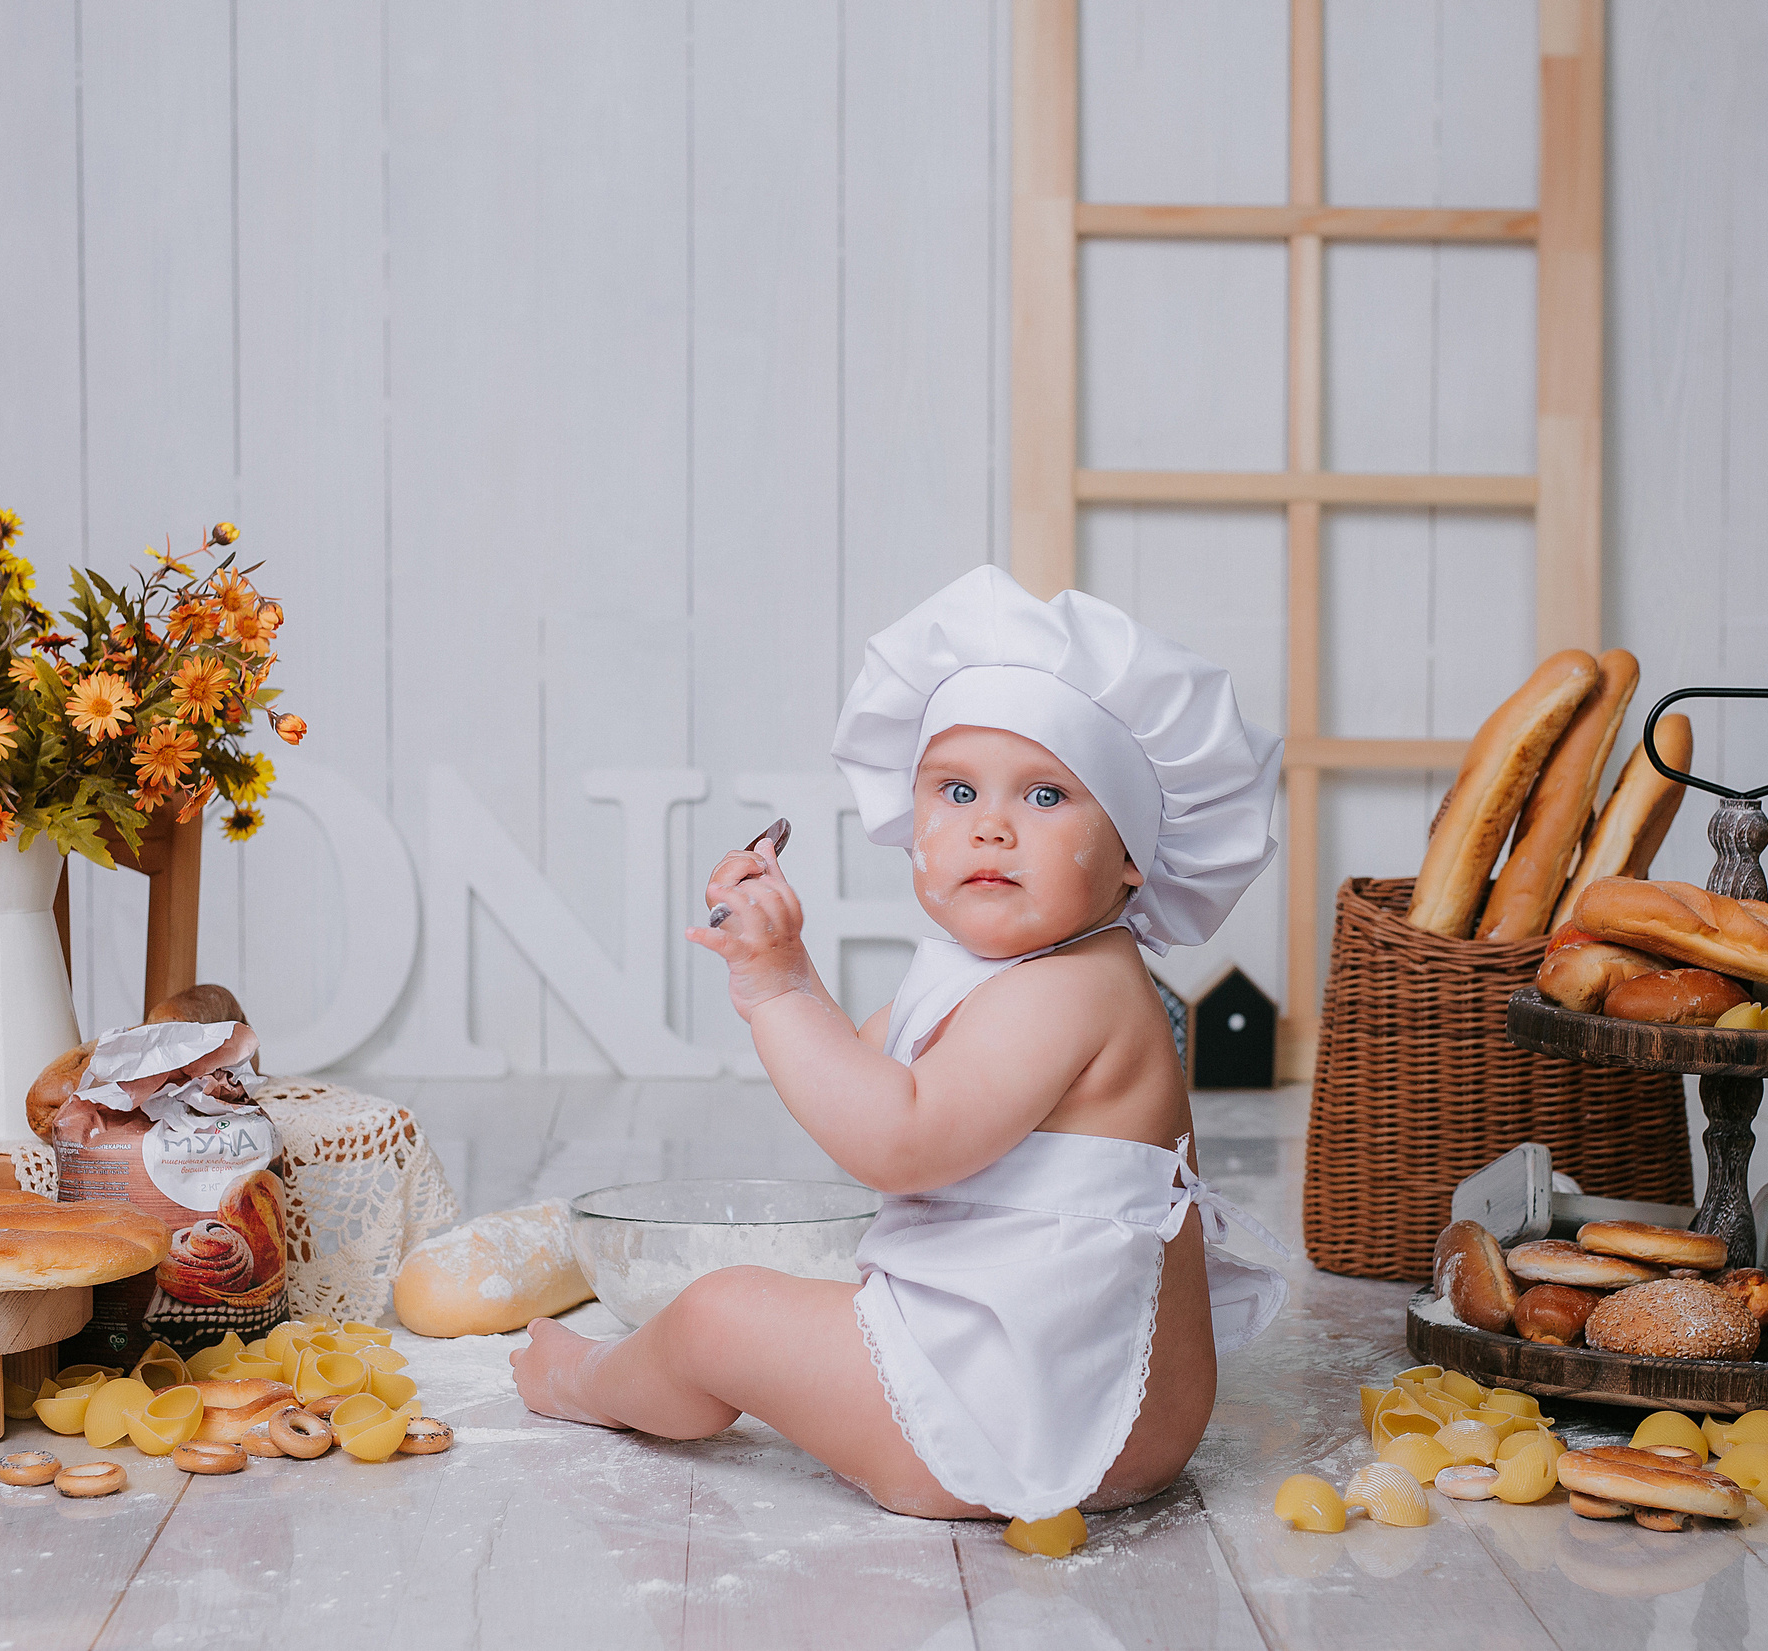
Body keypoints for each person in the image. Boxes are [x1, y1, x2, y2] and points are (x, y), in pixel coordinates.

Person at [511, 565, 1288, 1522]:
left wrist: (780, 987)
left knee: (721, 1314)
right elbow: (867, 1074)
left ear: (1132, 849)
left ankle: (590, 1381)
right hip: (1053, 1386)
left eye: (1046, 797)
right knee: (775, 1309)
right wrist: (780, 956)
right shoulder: (989, 970)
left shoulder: (1079, 984)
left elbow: (896, 1139)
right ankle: (650, 1370)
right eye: (957, 789)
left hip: (1032, 1415)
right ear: (913, 816)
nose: (991, 826)